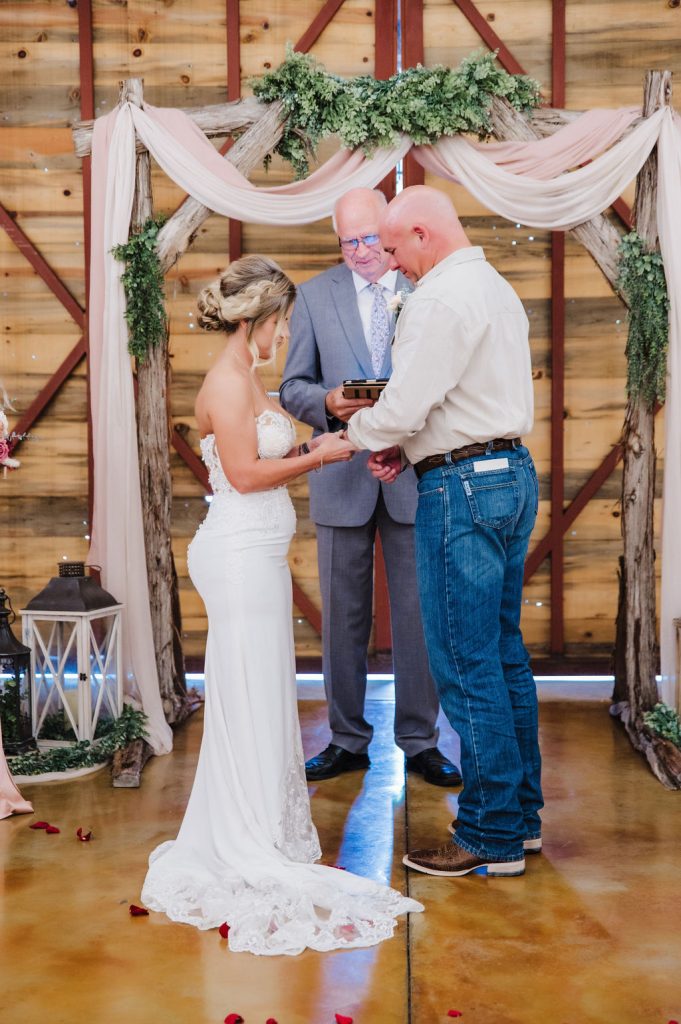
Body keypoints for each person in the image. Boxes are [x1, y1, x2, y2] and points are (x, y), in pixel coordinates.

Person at [141, 255, 422, 954]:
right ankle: (242, 834)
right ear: (262, 318)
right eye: (284, 321)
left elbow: (271, 450)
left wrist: (316, 440)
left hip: (257, 555)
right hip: (237, 557)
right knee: (246, 691)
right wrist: (322, 458)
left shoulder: (249, 378)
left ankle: (263, 822)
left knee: (264, 691)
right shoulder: (226, 383)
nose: (286, 332)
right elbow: (243, 473)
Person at [346, 186, 544, 878]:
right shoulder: (492, 287)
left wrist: (362, 434)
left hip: (461, 490)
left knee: (463, 665)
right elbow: (459, 398)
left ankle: (488, 833)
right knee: (502, 653)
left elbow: (403, 402)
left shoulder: (436, 299)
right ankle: (519, 821)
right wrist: (407, 446)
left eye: (395, 248)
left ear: (424, 233)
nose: (391, 264)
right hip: (509, 474)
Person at [280, 187, 460, 787]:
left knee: (419, 617)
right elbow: (292, 387)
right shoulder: (313, 296)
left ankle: (419, 740)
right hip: (342, 478)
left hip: (415, 476)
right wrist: (327, 403)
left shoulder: (426, 290)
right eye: (347, 241)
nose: (359, 252)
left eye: (367, 240)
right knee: (343, 620)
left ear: (389, 233)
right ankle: (346, 739)